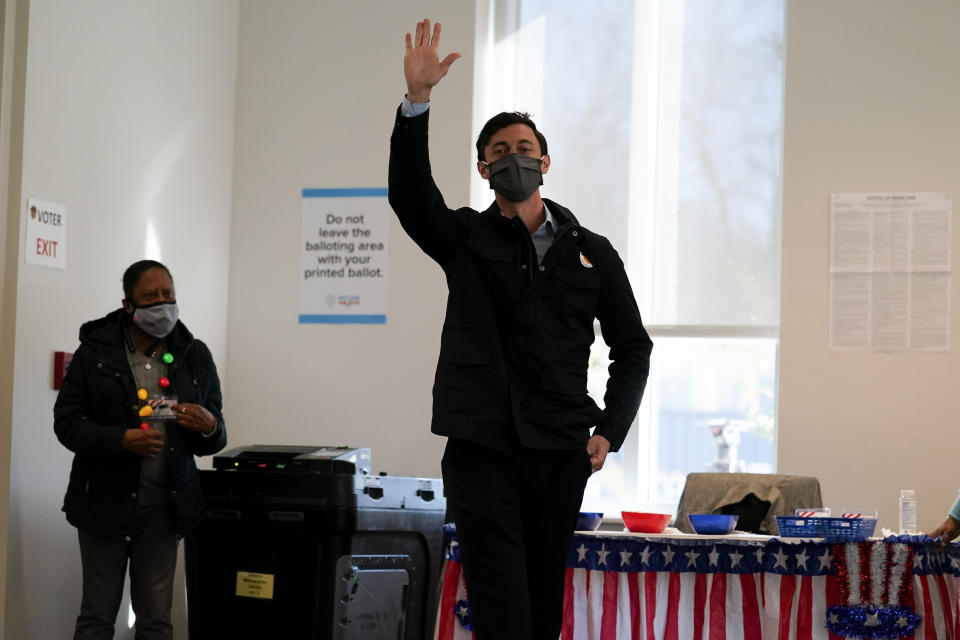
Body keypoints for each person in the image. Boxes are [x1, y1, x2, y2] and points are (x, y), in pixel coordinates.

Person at [389, 19, 652, 640]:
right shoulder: (465, 237)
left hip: (559, 448)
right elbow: (409, 196)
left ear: (546, 161)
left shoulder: (593, 251)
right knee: (501, 598)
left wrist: (610, 430)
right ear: (484, 169)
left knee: (537, 601)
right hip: (482, 445)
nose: (514, 158)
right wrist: (416, 102)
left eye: (524, 148)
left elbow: (632, 346)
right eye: (499, 152)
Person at [54, 259, 227, 639]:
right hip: (104, 504)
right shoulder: (96, 351)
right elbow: (66, 423)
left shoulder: (194, 354)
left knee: (155, 620)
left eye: (168, 294)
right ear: (128, 304)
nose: (162, 303)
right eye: (151, 296)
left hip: (167, 507)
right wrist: (121, 439)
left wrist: (209, 425)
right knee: (97, 616)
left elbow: (215, 436)